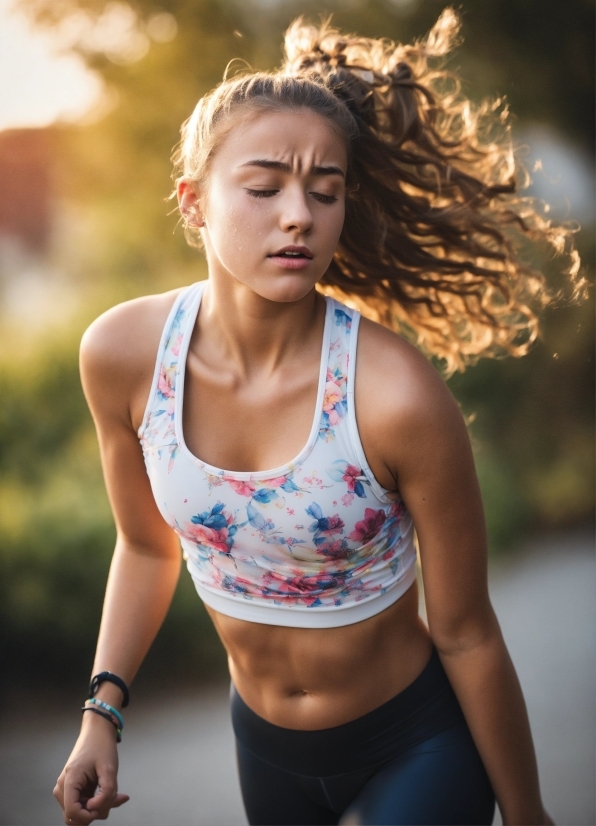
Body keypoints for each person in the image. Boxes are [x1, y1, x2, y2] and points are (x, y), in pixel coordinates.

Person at [53, 8, 582, 826]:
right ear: (194, 203)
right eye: (264, 189)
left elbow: (469, 633)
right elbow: (144, 542)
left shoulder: (396, 395)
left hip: (417, 745)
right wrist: (102, 715)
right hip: (263, 751)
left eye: (324, 192)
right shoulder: (123, 354)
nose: (298, 214)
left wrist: (528, 814)